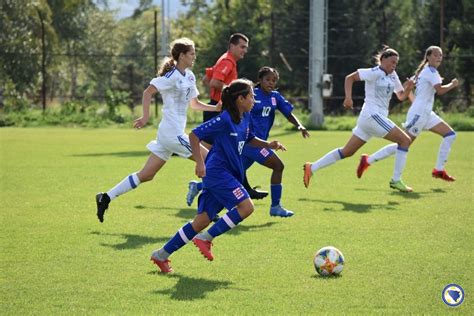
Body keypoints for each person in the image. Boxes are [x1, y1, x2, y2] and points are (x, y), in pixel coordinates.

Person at [150, 79, 286, 273]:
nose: (254, 100)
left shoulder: (245, 117)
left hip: (229, 173)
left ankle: (161, 255)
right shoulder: (224, 120)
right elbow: (194, 135)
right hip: (216, 172)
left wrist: (268, 145)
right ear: (240, 99)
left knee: (201, 221)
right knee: (246, 207)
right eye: (251, 96)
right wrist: (199, 162)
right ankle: (206, 238)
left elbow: (249, 139)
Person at [95, 38, 220, 223]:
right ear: (182, 55)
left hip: (168, 135)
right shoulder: (171, 77)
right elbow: (148, 92)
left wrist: (215, 108)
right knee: (211, 160)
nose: (195, 56)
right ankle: (207, 210)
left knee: (146, 175)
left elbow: (193, 104)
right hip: (173, 134)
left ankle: (105, 197)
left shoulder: (190, 76)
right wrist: (145, 117)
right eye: (192, 53)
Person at [187, 66, 310, 217]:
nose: (271, 83)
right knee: (278, 166)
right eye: (267, 79)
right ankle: (275, 206)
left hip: (253, 142)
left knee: (232, 175)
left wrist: (299, 125)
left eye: (274, 80)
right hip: (250, 143)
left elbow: (288, 113)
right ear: (260, 80)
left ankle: (199, 186)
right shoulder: (250, 94)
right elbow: (233, 110)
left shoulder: (274, 97)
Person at [303, 46, 415, 192]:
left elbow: (400, 96)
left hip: (369, 119)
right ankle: (396, 180)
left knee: (347, 152)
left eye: (396, 63)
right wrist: (348, 98)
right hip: (372, 116)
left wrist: (409, 88)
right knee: (405, 141)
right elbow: (350, 78)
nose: (394, 65)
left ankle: (312, 167)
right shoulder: (374, 72)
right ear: (382, 60)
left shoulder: (393, 75)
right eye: (392, 62)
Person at [356, 46, 459, 181]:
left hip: (426, 113)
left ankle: (439, 170)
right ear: (428, 57)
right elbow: (439, 90)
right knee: (404, 142)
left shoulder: (425, 71)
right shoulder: (430, 71)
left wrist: (414, 101)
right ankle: (368, 160)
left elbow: (407, 85)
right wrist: (452, 84)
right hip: (419, 114)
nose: (439, 57)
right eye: (435, 55)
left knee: (450, 135)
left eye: (440, 55)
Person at [200, 32, 268, 200]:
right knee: (215, 154)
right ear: (232, 46)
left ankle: (243, 188)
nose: (245, 50)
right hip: (219, 110)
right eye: (242, 47)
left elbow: (205, 79)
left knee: (228, 151)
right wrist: (233, 94)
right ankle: (205, 189)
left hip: (219, 108)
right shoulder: (227, 61)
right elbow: (215, 82)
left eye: (246, 47)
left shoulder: (226, 61)